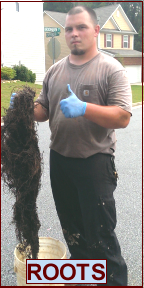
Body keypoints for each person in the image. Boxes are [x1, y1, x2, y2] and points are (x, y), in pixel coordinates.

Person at [34, 6, 132, 286]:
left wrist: (85, 108)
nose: (74, 34)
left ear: (96, 31)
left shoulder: (110, 68)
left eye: (81, 27)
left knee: (100, 238)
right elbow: (44, 110)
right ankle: (82, 280)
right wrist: (27, 107)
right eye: (69, 29)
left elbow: (123, 116)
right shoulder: (54, 71)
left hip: (95, 163)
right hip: (60, 161)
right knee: (73, 233)